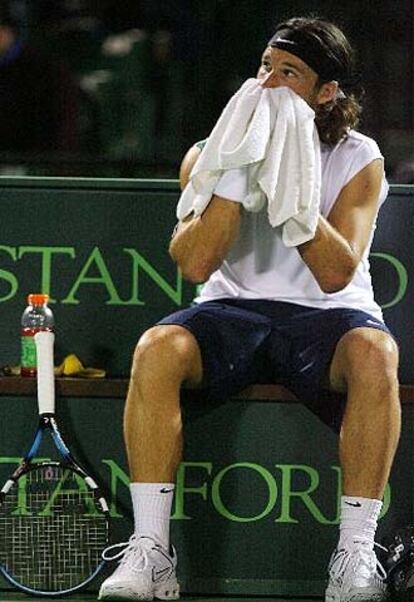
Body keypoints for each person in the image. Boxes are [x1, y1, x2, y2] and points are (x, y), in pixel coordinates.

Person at [98, 16, 400, 602]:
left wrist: (294, 196)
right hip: (230, 311)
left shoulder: (359, 156)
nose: (268, 82)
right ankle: (151, 554)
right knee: (157, 348)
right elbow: (192, 265)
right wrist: (235, 176)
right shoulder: (209, 154)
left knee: (376, 352)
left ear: (326, 92)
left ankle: (355, 557)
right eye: (265, 66)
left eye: (290, 73)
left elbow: (337, 273)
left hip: (327, 317)